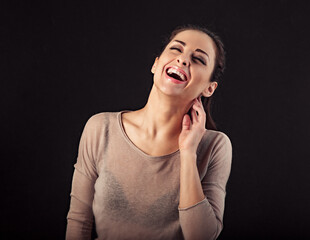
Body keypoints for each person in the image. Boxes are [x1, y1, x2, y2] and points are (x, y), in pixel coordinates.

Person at [66, 24, 232, 240]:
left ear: (209, 88)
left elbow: (200, 236)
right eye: (176, 49)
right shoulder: (100, 128)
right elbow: (78, 223)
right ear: (155, 64)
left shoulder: (215, 146)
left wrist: (188, 153)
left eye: (198, 59)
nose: (183, 59)